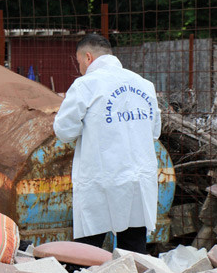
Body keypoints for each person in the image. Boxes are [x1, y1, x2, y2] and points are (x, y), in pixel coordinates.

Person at [52, 34, 161, 254]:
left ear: (88, 57)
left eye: (80, 62)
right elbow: (154, 131)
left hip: (102, 179)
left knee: (88, 250)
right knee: (133, 251)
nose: (80, 67)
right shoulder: (144, 85)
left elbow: (64, 131)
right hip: (139, 179)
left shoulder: (86, 85)